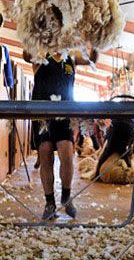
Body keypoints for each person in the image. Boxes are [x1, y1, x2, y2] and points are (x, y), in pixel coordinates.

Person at [24, 49, 98, 220]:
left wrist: (98, 39)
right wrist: (30, 34)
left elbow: (92, 59)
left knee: (66, 151)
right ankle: (49, 202)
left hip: (65, 113)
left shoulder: (71, 57)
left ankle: (66, 196)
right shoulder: (40, 54)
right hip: (43, 114)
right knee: (45, 153)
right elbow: (27, 55)